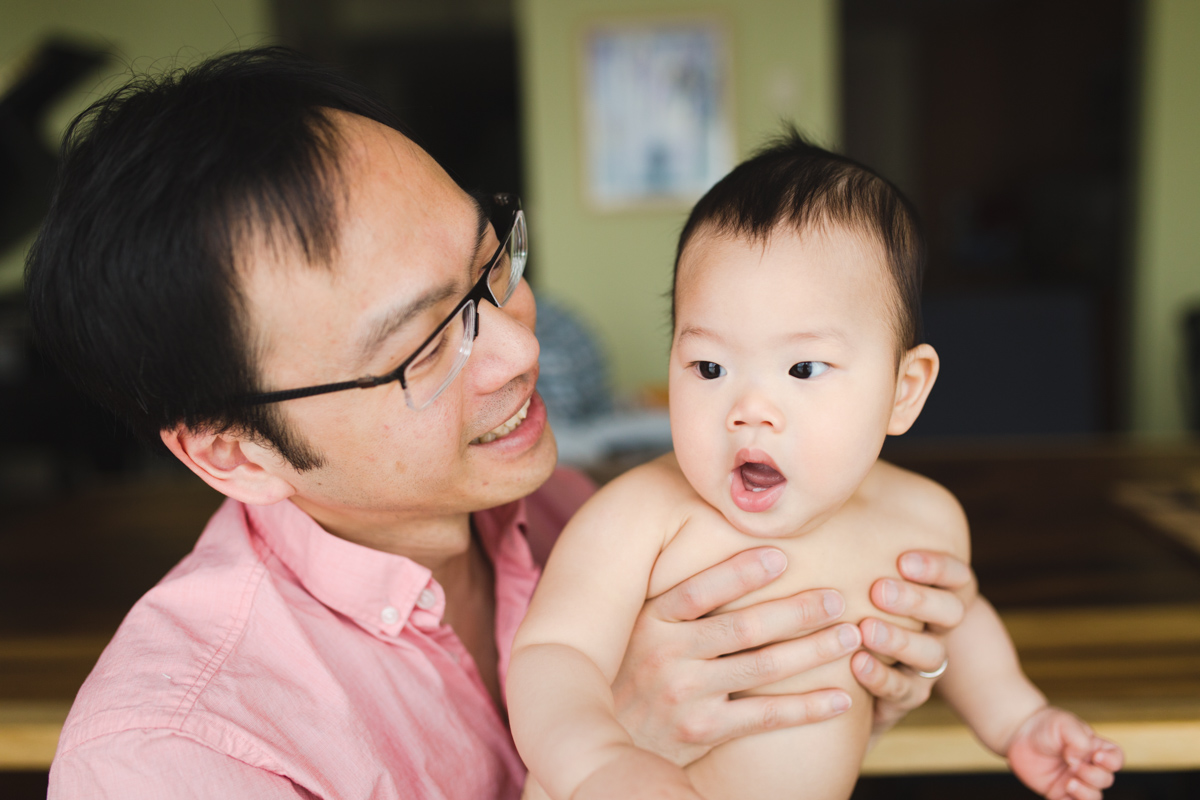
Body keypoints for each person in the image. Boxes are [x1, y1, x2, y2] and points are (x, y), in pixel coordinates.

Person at [27, 49, 975, 799]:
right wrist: (613, 745)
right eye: (422, 345)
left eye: (493, 267)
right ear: (231, 450)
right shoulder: (173, 759)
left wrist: (842, 694)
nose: (519, 351)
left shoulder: (563, 510)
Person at [509, 133, 1125, 800]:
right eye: (709, 367)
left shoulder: (922, 519)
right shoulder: (640, 518)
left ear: (904, 389)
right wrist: (599, 763)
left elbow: (962, 619)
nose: (749, 409)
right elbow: (554, 657)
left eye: (804, 367)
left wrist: (1020, 719)